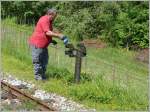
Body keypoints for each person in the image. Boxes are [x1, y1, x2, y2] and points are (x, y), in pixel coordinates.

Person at [28, 9, 69, 80]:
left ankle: (43, 76)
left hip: (43, 45)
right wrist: (59, 35)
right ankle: (38, 78)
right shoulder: (44, 20)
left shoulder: (49, 21)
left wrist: (51, 40)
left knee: (44, 61)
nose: (55, 18)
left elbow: (46, 33)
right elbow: (47, 32)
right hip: (37, 44)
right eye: (54, 16)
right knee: (38, 61)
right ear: (50, 14)